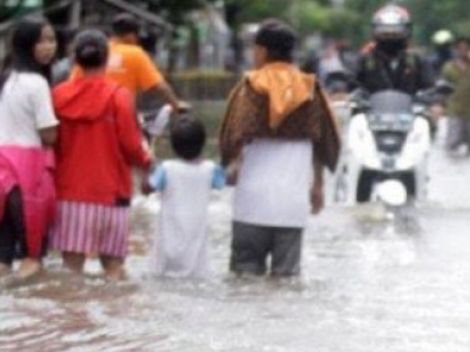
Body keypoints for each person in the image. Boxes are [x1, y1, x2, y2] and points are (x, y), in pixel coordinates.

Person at [218, 19, 340, 277]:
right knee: (286, 285)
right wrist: (317, 185)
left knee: (244, 282)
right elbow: (323, 142)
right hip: (291, 206)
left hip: (251, 203)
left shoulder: (250, 88)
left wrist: (230, 165)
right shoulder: (310, 91)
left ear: (262, 51)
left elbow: (232, 138)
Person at [50, 29, 152, 281]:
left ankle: (72, 317)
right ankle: (111, 319)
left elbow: (50, 143)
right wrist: (148, 165)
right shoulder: (119, 97)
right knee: (114, 270)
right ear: (106, 59)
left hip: (70, 195)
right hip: (112, 195)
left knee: (71, 273)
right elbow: (131, 147)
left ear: (75, 59)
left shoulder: (57, 96)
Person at [0, 18, 58, 279]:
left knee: (3, 260)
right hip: (28, 174)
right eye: (41, 41)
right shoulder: (37, 83)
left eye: (52, 40)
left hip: (2, 170)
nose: (48, 47)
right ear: (26, 45)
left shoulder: (5, 79)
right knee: (32, 257)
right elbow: (48, 134)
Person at [147, 115, 225, 278]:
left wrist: (147, 164)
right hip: (196, 246)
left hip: (169, 241)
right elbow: (226, 181)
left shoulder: (166, 169)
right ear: (202, 143)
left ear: (174, 145)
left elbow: (148, 188)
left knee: (164, 277)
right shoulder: (210, 169)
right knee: (197, 275)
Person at [86, 13, 186, 111]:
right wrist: (176, 105)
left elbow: (74, 82)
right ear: (130, 35)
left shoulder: (95, 51)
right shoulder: (136, 54)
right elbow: (159, 86)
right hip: (121, 115)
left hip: (91, 115)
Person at [354, 6, 435, 96]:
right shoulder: (365, 60)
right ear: (375, 33)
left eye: (395, 33)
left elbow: (431, 87)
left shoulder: (417, 59)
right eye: (385, 34)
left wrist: (434, 101)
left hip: (412, 108)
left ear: (406, 32)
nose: (390, 37)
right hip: (372, 108)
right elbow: (351, 85)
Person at [440, 37, 470, 156]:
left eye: (466, 48)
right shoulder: (448, 67)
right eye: (460, 48)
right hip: (454, 108)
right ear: (456, 50)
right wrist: (441, 106)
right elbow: (442, 89)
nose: (463, 51)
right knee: (452, 141)